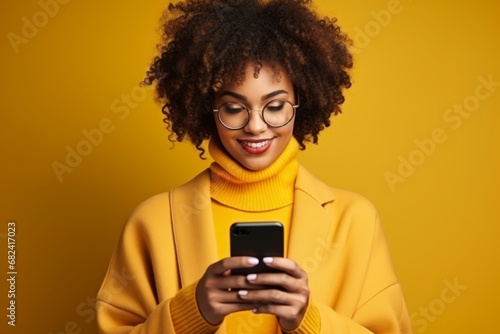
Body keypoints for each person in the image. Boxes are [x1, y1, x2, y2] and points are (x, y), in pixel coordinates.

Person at [96, 0, 412, 333]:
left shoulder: (354, 220)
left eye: (275, 106)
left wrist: (308, 321)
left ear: (301, 103)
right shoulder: (152, 222)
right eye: (234, 108)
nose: (256, 127)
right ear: (208, 109)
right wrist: (193, 311)